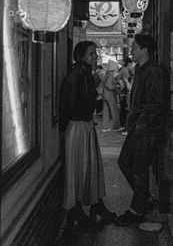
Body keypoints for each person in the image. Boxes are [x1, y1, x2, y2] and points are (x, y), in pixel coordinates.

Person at [59, 41, 116, 227]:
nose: (95, 57)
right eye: (91, 54)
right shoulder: (75, 76)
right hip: (76, 127)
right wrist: (63, 130)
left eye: (95, 54)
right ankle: (75, 209)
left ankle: (95, 204)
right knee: (78, 167)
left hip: (86, 125)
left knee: (91, 166)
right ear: (80, 55)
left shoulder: (86, 75)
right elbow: (67, 105)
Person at [117, 34, 167, 226]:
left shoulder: (153, 71)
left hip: (146, 129)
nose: (132, 51)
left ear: (145, 49)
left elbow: (154, 104)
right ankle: (144, 199)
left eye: (135, 48)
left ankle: (137, 209)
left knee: (138, 168)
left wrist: (139, 126)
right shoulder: (140, 69)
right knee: (125, 162)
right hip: (138, 127)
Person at [102, 60, 121, 132]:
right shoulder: (111, 73)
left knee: (106, 111)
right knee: (113, 111)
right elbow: (109, 85)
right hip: (110, 95)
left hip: (105, 94)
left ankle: (106, 127)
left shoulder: (107, 73)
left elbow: (105, 83)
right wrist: (116, 87)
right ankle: (116, 126)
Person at [116, 57, 133, 132]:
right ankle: (123, 124)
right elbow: (125, 81)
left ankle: (122, 124)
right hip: (124, 92)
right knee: (124, 108)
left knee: (123, 108)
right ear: (129, 63)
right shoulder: (125, 70)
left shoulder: (123, 69)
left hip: (122, 91)